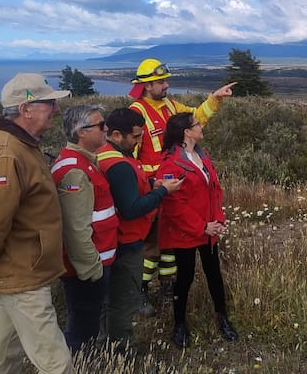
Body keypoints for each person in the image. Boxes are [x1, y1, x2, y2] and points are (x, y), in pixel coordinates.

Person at [0, 73, 73, 374]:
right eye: (49, 104)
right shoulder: (6, 154)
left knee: (4, 358)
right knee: (56, 364)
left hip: (18, 272)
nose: (56, 110)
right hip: (21, 276)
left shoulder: (19, 145)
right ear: (26, 109)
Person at [128, 58, 235, 314]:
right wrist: (147, 185)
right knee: (150, 247)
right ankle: (138, 292)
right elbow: (128, 158)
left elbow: (195, 118)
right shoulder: (137, 112)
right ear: (147, 85)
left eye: (166, 80)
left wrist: (215, 99)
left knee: (169, 245)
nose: (166, 85)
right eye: (161, 82)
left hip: (175, 189)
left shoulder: (169, 105)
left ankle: (167, 287)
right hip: (153, 190)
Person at [96, 108, 183, 348]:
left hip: (112, 241)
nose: (139, 141)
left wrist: (153, 183)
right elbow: (132, 208)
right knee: (122, 302)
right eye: (135, 136)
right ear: (115, 135)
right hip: (127, 242)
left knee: (107, 301)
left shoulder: (106, 155)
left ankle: (103, 346)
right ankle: (121, 351)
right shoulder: (120, 164)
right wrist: (162, 191)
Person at [156, 112, 238, 349]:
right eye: (197, 124)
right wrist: (202, 226)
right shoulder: (170, 164)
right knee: (185, 277)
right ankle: (179, 324)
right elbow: (173, 205)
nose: (202, 127)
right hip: (187, 232)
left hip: (209, 229)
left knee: (214, 273)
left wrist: (218, 220)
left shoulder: (202, 155)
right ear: (186, 132)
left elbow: (215, 191)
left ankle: (222, 317)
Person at [50, 105, 118, 354]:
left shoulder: (84, 161)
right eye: (101, 126)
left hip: (94, 262)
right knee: (83, 327)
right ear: (81, 132)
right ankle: (79, 363)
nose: (106, 129)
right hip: (87, 268)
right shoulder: (75, 171)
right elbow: (75, 228)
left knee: (89, 321)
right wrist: (92, 270)